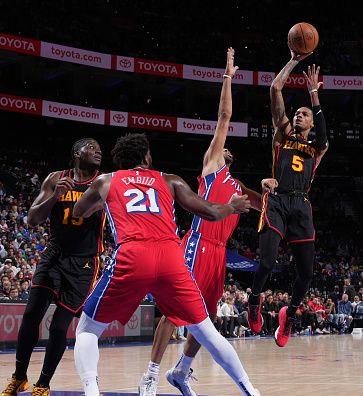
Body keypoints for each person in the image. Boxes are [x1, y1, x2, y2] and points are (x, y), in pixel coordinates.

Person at [71, 133, 259, 396]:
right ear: (147, 157)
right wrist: (231, 206)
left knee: (87, 329)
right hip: (171, 257)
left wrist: (100, 203)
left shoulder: (106, 180)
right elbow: (210, 212)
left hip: (133, 256)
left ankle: (92, 391)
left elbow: (79, 211)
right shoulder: (169, 179)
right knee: (206, 331)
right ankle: (250, 389)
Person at [137, 48, 268, 396]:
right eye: (218, 144)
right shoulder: (212, 168)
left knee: (203, 320)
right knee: (175, 312)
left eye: (225, 147)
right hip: (196, 245)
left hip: (219, 254)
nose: (221, 146)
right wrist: (228, 76)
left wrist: (274, 187)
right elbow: (224, 115)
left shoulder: (239, 188)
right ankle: (150, 375)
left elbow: (268, 204)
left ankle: (180, 371)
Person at [2, 138, 104, 396]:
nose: (98, 151)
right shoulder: (55, 178)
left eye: (99, 148)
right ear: (77, 153)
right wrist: (55, 196)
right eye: (91, 147)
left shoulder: (105, 182)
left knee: (59, 327)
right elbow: (33, 219)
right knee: (31, 315)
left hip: (83, 263)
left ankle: (43, 384)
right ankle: (19, 377)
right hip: (54, 256)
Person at [247, 51, 329, 348]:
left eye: (304, 113)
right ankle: (254, 300)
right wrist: (294, 60)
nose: (299, 115)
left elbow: (324, 135)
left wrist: (314, 94)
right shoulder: (282, 135)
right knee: (267, 262)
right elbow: (274, 89)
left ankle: (289, 314)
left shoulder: (318, 149)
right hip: (278, 200)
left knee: (306, 273)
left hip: (301, 206)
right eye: (298, 112)